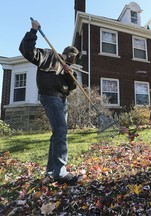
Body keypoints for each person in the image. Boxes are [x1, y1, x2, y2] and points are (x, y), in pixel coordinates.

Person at [19, 19, 79, 185]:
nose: (73, 61)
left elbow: (72, 86)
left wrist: (68, 73)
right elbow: (27, 51)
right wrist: (33, 32)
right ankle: (60, 173)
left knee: (57, 134)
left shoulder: (68, 68)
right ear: (72, 55)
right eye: (75, 58)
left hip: (62, 99)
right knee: (61, 132)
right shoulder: (49, 55)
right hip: (50, 97)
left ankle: (52, 171)